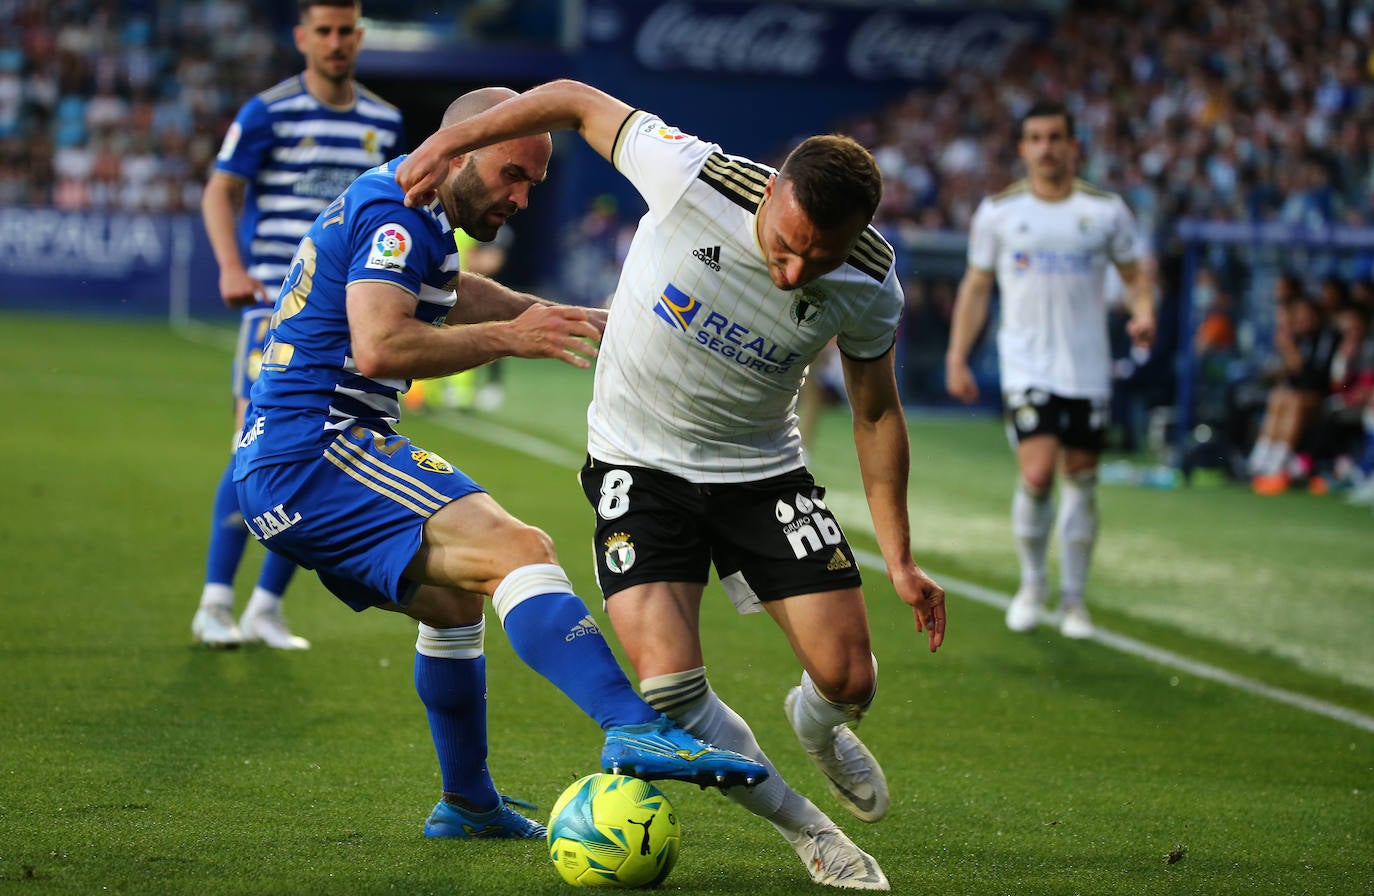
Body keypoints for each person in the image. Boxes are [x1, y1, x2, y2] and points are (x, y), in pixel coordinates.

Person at [396, 79, 947, 891]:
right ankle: (812, 833)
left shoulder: (868, 282)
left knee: (849, 678)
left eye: (815, 260)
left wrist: (899, 558)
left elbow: (874, 413)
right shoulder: (694, 175)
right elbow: (575, 100)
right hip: (637, 463)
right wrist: (445, 145)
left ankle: (819, 725)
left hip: (762, 469)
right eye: (785, 246)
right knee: (671, 691)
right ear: (773, 188)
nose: (794, 275)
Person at [232, 87, 768, 841]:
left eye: (533, 185)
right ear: (464, 148)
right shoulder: (397, 215)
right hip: (319, 448)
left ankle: (468, 804)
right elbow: (381, 347)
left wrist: (552, 316)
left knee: (454, 608)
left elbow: (449, 293)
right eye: (512, 174)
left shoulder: (409, 203)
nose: (519, 198)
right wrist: (516, 339)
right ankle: (631, 725)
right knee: (521, 551)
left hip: (287, 462)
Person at [193, 0, 405, 649]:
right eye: (324, 31)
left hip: (354, 312)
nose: (336, 42)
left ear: (360, 37)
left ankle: (265, 606)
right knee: (255, 444)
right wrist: (232, 265)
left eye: (346, 31)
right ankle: (215, 601)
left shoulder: (384, 121)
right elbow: (221, 189)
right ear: (302, 38)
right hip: (279, 309)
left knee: (326, 452)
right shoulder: (268, 110)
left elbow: (398, 206)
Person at [944, 99, 1155, 640]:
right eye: (1035, 138)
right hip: (1027, 364)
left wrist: (1144, 313)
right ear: (1022, 147)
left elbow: (1135, 274)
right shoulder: (999, 212)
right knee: (1037, 474)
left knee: (1081, 479)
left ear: (1073, 145)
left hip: (1086, 367)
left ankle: (1074, 601)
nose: (1045, 147)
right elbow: (975, 287)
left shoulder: (1105, 211)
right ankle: (1033, 584)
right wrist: (957, 355)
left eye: (1055, 137)